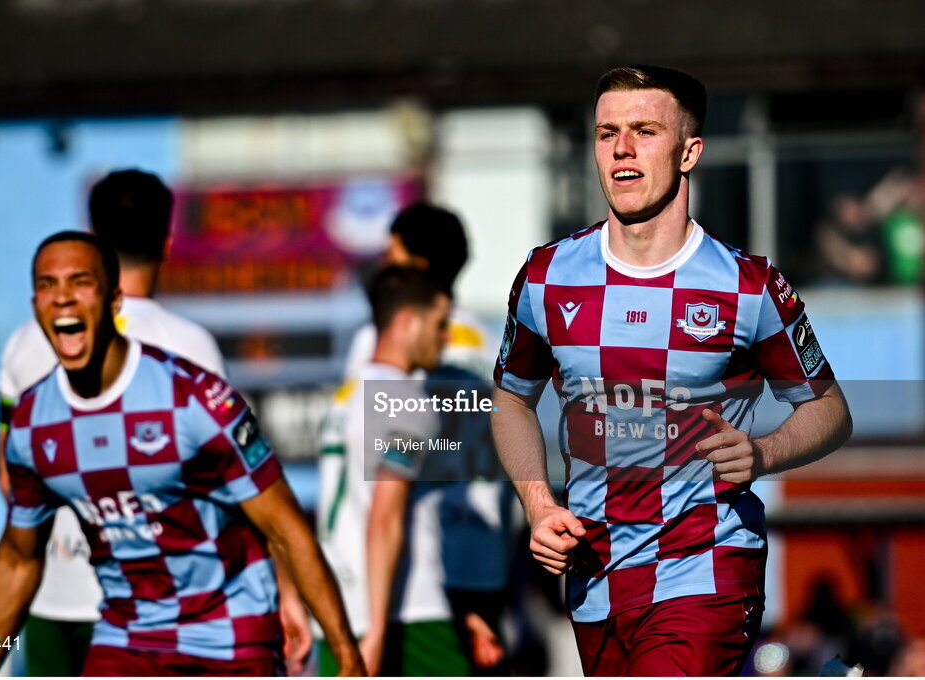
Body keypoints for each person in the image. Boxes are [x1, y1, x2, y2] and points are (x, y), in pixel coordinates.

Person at [491, 64, 853, 676]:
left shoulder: (750, 287)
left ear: (690, 152)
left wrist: (764, 453)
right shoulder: (546, 276)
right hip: (594, 580)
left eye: (644, 131)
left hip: (706, 568)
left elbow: (830, 411)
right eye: (607, 133)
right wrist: (538, 504)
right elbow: (510, 401)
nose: (622, 149)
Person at [0, 232, 364, 677]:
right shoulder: (32, 424)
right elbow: (18, 559)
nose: (62, 298)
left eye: (80, 282)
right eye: (47, 285)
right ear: (35, 303)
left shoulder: (193, 399)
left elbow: (286, 526)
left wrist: (346, 654)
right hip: (129, 638)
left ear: (115, 300)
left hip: (228, 634)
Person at [0, 169, 227, 676]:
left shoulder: (26, 342)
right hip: (160, 610)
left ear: (92, 242)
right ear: (167, 243)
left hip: (50, 598)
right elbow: (225, 485)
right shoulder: (193, 347)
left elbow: (9, 479)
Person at [332, 204, 514, 673]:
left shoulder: (391, 344)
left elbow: (375, 472)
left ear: (419, 267)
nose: (383, 264)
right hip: (482, 559)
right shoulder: (490, 341)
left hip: (415, 567)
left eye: (393, 254)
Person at [318, 266, 470, 676]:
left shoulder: (347, 394)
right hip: (406, 615)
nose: (446, 337)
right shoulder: (405, 401)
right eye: (440, 324)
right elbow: (384, 517)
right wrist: (379, 631)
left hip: (335, 607)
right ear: (408, 323)